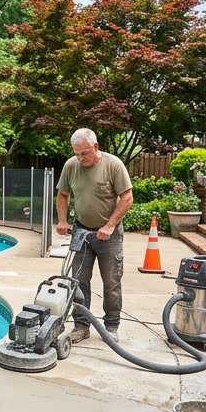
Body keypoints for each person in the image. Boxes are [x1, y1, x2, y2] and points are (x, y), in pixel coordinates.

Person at [55, 128, 134, 343]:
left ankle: (111, 325)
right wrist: (62, 220)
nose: (80, 158)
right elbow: (62, 194)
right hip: (81, 231)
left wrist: (109, 225)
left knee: (111, 281)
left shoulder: (113, 164)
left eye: (85, 153)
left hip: (109, 234)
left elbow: (127, 197)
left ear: (96, 147)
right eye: (77, 153)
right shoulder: (71, 166)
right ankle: (81, 326)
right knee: (78, 281)